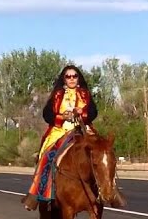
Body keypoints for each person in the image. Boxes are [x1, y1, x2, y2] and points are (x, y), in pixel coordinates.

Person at [23, 64, 99, 210]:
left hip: (82, 129)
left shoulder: (85, 94)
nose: (72, 79)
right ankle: (36, 194)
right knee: (47, 156)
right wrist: (62, 116)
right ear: (64, 79)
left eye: (74, 76)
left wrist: (81, 113)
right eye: (68, 76)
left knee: (103, 151)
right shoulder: (57, 95)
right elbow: (47, 115)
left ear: (78, 78)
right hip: (61, 130)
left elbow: (93, 112)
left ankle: (109, 190)